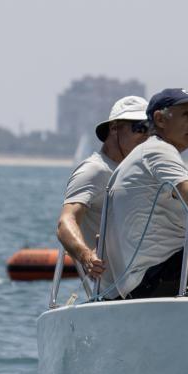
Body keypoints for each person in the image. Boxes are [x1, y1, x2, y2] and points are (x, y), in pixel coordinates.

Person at [100, 88, 188, 299]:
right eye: (187, 115)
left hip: (139, 280)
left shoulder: (143, 153)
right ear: (159, 119)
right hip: (159, 275)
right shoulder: (159, 150)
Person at [55, 95, 150, 279]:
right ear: (114, 128)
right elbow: (65, 222)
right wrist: (86, 256)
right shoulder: (95, 170)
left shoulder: (138, 171)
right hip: (122, 282)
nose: (146, 136)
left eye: (150, 129)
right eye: (140, 128)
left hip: (147, 270)